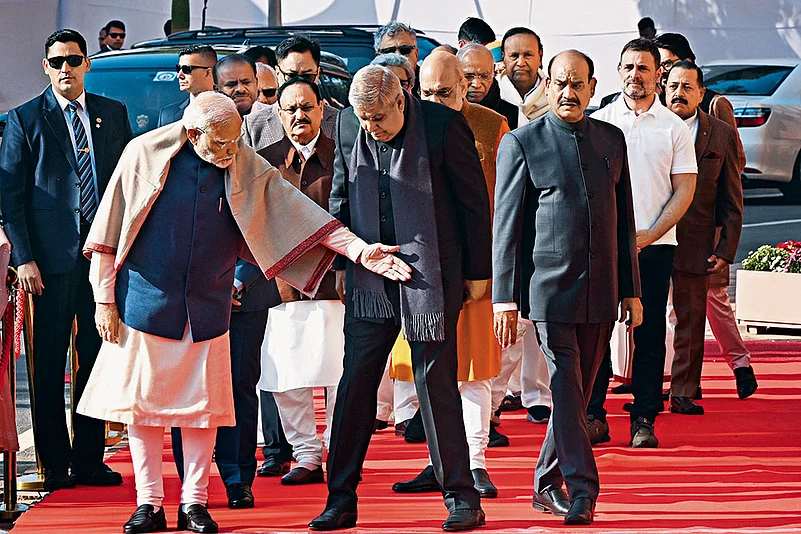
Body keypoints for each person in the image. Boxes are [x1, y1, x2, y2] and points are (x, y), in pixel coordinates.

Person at [77, 91, 412, 534]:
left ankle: (194, 503)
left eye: (237, 141)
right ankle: (149, 503)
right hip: (144, 304)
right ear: (194, 133)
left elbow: (299, 216)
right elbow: (109, 231)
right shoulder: (143, 154)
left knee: (204, 410)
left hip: (209, 308)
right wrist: (104, 300)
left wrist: (361, 251)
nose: (232, 151)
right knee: (144, 411)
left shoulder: (239, 159)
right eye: (221, 144)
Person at [309, 64, 491, 532]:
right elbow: (339, 197)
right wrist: (347, 260)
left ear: (401, 99)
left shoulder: (442, 125)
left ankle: (461, 496)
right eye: (363, 117)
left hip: (431, 272)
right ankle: (341, 499)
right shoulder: (350, 125)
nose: (371, 126)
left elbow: (473, 205)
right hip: (371, 272)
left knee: (436, 383)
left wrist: (477, 274)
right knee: (354, 385)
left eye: (379, 117)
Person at [494, 49, 642, 526]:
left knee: (574, 393)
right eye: (560, 82)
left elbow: (624, 220)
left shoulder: (611, 139)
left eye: (578, 84)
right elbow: (508, 228)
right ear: (547, 84)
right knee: (564, 386)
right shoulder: (522, 142)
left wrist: (632, 290)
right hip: (549, 293)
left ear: (593, 88)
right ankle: (583, 491)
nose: (568, 92)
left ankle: (543, 483)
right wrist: (505, 297)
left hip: (602, 292)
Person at [0, 28, 133, 492]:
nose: (65, 69)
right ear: (45, 66)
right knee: (50, 361)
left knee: (95, 362)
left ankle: (89, 461)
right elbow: (11, 199)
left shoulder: (112, 115)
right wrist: (25, 259)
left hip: (103, 261)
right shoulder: (25, 120)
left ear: (87, 64)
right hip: (49, 266)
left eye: (73, 60)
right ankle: (56, 467)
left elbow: (127, 187)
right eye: (56, 61)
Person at [391, 51, 507, 497]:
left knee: (473, 368)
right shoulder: (407, 122)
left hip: (475, 266)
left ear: (466, 86)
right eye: (428, 92)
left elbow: (500, 200)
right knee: (430, 370)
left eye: (446, 91)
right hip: (423, 270)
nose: (436, 100)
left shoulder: (490, 124)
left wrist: (489, 269)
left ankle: (475, 463)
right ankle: (439, 462)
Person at [588, 38, 697, 448]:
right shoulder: (599, 122)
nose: (636, 75)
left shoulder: (674, 128)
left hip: (656, 246)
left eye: (644, 68)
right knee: (595, 331)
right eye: (629, 67)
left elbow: (684, 190)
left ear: (659, 75)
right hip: (603, 247)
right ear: (618, 72)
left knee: (649, 333)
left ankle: (644, 417)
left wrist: (649, 234)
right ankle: (593, 414)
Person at [256, 77, 342, 486]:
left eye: (306, 107)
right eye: (289, 109)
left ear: (322, 109)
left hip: (338, 283)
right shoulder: (264, 161)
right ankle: (306, 454)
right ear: (278, 114)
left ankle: (340, 449)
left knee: (342, 375)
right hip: (283, 286)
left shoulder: (344, 154)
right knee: (287, 376)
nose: (298, 116)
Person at [663, 61, 744, 414]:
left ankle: (683, 389)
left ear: (700, 93)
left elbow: (732, 198)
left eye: (687, 87)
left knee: (692, 320)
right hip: (648, 239)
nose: (678, 93)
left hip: (696, 242)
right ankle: (646, 387)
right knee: (646, 320)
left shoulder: (720, 134)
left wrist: (726, 249)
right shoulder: (650, 128)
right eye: (673, 86)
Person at [652, 32, 746, 170]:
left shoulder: (715, 104)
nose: (663, 71)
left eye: (667, 64)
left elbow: (736, 159)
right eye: (658, 66)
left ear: (687, 61)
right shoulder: (656, 103)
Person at [243, 36, 338, 150]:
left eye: (307, 76)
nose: (298, 83)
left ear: (317, 74)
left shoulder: (340, 123)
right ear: (277, 73)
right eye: (291, 76)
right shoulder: (253, 126)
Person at [457, 44, 518, 129]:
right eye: (468, 76)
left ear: (493, 72)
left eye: (484, 76)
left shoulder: (513, 115)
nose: (476, 84)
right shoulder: (445, 109)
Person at [497, 27, 549, 125]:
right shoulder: (492, 93)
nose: (521, 63)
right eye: (514, 56)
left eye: (528, 55)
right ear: (503, 58)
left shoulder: (553, 96)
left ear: (540, 57)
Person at [158, 45, 217, 127]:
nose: (179, 75)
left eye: (187, 69)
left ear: (208, 73)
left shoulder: (231, 109)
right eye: (178, 68)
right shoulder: (168, 115)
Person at [374, 22, 420, 95]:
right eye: (389, 51)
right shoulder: (369, 84)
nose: (398, 55)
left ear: (416, 54)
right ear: (378, 56)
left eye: (405, 50)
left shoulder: (429, 81)